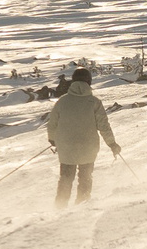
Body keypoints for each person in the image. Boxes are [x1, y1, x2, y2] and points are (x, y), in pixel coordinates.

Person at [44, 67, 120, 206]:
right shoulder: (94, 102)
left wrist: (53, 139)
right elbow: (104, 126)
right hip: (88, 147)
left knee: (66, 179)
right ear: (89, 82)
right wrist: (112, 144)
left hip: (66, 147)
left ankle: (60, 207)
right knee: (85, 178)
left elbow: (52, 123)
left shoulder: (62, 101)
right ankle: (81, 207)